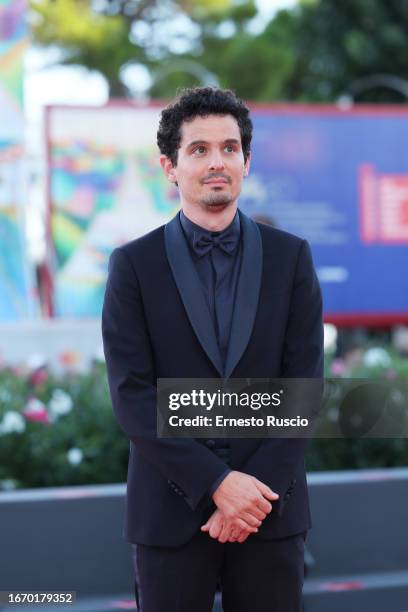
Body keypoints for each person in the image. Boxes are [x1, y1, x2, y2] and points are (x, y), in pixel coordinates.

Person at [102, 87, 323, 612]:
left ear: (247, 161)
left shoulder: (291, 258)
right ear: (170, 166)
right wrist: (216, 483)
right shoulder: (132, 265)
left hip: (270, 511)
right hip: (169, 514)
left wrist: (251, 494)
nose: (216, 161)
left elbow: (304, 390)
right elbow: (132, 395)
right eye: (198, 149)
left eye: (229, 148)